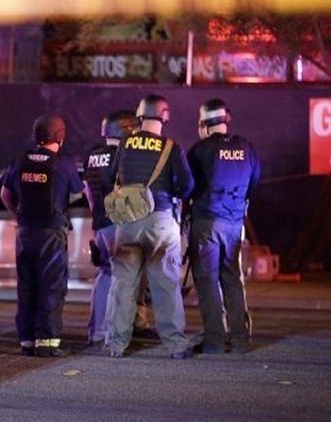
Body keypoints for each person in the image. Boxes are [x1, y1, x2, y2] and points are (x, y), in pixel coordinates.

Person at [106, 94, 194, 359]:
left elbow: (112, 176)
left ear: (140, 116)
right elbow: (188, 184)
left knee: (124, 283)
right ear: (164, 117)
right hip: (161, 220)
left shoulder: (125, 143)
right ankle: (176, 345)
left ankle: (117, 344)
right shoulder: (171, 146)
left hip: (128, 221)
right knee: (165, 283)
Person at [0, 113, 83, 358]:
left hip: (25, 232)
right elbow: (78, 194)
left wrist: (19, 215)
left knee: (26, 287)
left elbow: (5, 193)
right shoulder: (63, 163)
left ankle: (26, 340)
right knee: (51, 286)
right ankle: (46, 342)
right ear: (60, 135)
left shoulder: (19, 160)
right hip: (52, 234)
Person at [187, 98, 260, 354]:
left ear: (205, 124)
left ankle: (215, 340)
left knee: (207, 280)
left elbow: (187, 186)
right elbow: (254, 182)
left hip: (206, 222)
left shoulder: (200, 150)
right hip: (234, 224)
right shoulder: (247, 148)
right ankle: (240, 339)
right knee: (231, 278)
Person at [83, 111, 136, 345]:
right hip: (118, 224)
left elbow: (88, 193)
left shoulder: (92, 157)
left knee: (104, 275)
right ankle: (113, 334)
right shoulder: (123, 156)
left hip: (99, 224)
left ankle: (97, 330)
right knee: (122, 278)